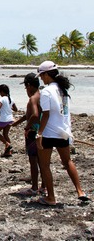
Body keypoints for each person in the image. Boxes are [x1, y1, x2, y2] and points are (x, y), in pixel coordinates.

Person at [35, 61, 89, 206]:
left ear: (47, 74)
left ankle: (51, 197)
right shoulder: (63, 90)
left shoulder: (46, 91)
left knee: (45, 165)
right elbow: (64, 113)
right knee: (67, 161)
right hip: (63, 132)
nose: (41, 78)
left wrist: (39, 134)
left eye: (42, 75)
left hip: (48, 133)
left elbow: (45, 115)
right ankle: (80, 191)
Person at [12, 73, 46, 196]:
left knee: (33, 160)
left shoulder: (32, 98)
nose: (26, 90)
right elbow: (30, 114)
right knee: (43, 161)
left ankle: (34, 187)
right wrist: (18, 122)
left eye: (26, 87)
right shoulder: (42, 96)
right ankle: (43, 186)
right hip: (43, 132)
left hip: (33, 133)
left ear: (29, 85)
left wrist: (26, 127)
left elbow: (35, 115)